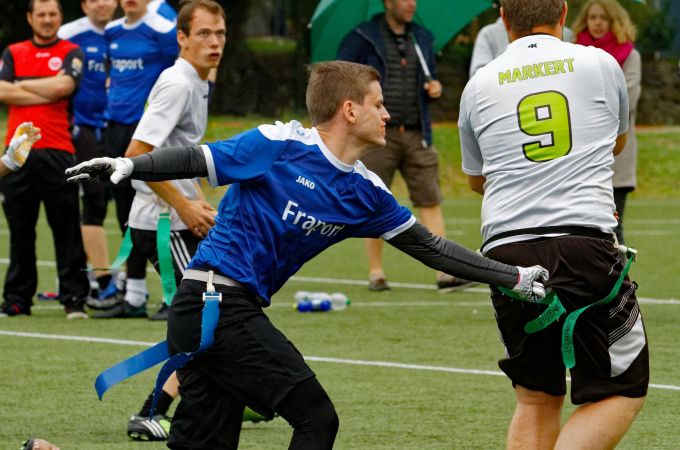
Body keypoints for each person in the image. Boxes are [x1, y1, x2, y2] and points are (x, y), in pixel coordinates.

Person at [67, 60, 549, 449]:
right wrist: (129, 164)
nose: (387, 115)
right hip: (213, 303)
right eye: (378, 105)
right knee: (317, 419)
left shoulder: (367, 193)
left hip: (222, 310)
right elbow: (197, 157)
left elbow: (431, 248)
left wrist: (514, 277)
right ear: (349, 110)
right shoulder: (277, 144)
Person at [458, 1, 648, 449]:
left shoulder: (479, 83)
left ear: (504, 18)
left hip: (507, 252)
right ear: (564, 11)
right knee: (623, 388)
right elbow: (615, 142)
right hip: (583, 242)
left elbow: (475, 179)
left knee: (535, 397)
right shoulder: (600, 63)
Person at [98, 0, 224, 440]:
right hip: (161, 222)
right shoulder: (177, 82)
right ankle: (152, 410)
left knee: (220, 309)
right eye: (205, 33)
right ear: (182, 38)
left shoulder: (198, 80)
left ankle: (224, 396)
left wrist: (200, 199)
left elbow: (181, 151)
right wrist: (185, 206)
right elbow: (135, 157)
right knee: (206, 316)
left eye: (220, 34)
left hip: (178, 215)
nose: (214, 42)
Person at [337, 0, 472, 293]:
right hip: (376, 135)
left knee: (430, 199)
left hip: (416, 131)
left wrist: (434, 89)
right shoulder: (362, 35)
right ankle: (376, 274)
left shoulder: (422, 37)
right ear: (388, 3)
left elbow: (429, 77)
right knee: (371, 200)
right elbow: (342, 80)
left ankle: (444, 273)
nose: (412, 4)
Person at [0, 0, 90, 319]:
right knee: (20, 229)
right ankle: (16, 300)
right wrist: (45, 90)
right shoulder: (12, 52)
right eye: (41, 14)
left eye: (53, 14)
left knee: (66, 228)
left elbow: (65, 85)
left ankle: (74, 298)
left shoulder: (72, 51)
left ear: (60, 17)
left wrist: (19, 85)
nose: (47, 19)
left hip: (59, 150)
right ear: (29, 18)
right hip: (16, 153)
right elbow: (2, 92)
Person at [96, 0, 178, 314]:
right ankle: (134, 295)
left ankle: (173, 295)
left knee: (155, 213)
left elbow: (182, 74)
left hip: (146, 131)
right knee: (126, 214)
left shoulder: (163, 30)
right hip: (114, 129)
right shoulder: (113, 30)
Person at [58, 0, 118, 303]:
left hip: (119, 126)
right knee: (92, 200)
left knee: (119, 201)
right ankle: (103, 278)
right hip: (82, 128)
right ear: (83, 5)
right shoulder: (69, 34)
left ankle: (119, 280)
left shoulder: (126, 32)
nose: (102, 4)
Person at [572, 0, 641, 245]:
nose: (598, 23)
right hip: (580, 156)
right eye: (593, 17)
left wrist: (587, 101)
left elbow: (626, 102)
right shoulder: (572, 55)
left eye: (604, 17)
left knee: (613, 229)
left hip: (617, 155)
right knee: (579, 230)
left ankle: (620, 284)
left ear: (615, 21)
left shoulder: (630, 56)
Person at [469, 0, 574, 77]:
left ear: (503, 16)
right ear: (564, 12)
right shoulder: (489, 34)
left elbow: (478, 81)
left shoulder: (568, 34)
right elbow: (477, 74)